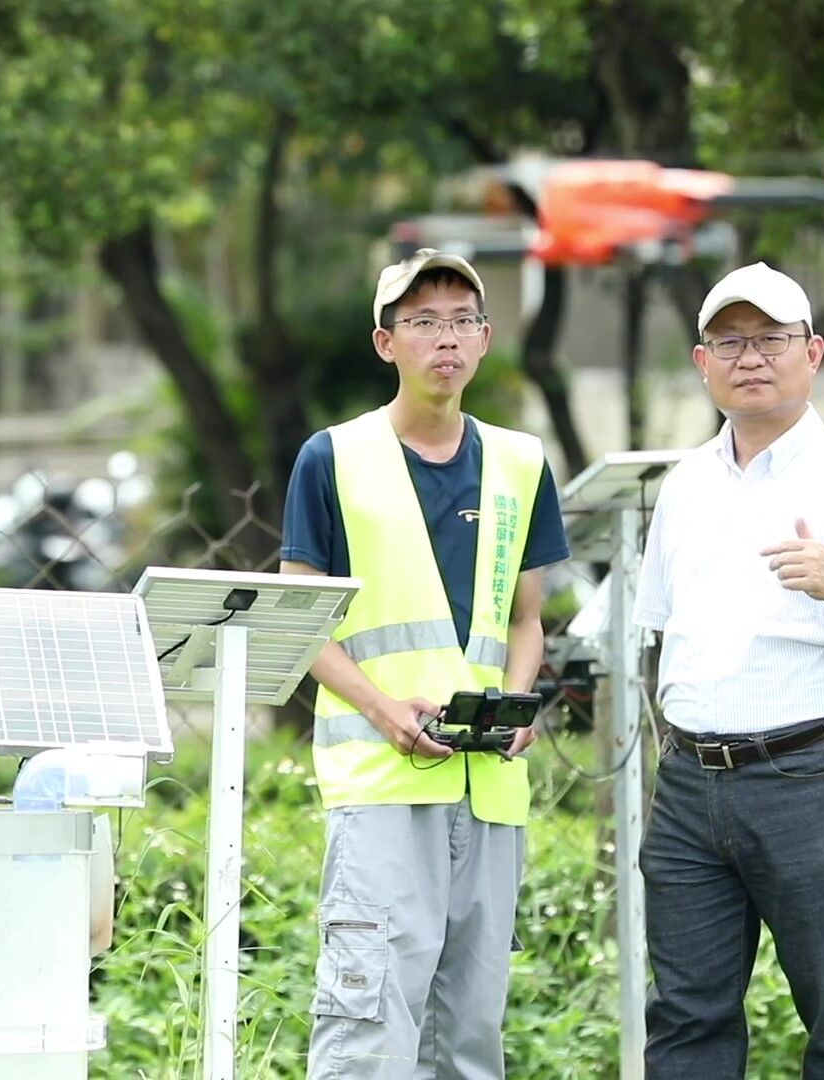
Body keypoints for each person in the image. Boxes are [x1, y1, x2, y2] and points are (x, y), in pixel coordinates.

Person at [634, 262, 824, 1078]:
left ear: (813, 354)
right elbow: (666, 630)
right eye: (730, 341)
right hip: (692, 786)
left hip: (809, 778)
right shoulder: (686, 484)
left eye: (771, 339)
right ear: (702, 362)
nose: (751, 357)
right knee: (686, 1021)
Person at [281, 248, 571, 1079]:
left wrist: (516, 706)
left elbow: (526, 620)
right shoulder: (331, 457)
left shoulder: (521, 461)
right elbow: (299, 626)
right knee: (370, 1024)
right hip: (380, 783)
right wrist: (382, 710)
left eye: (461, 322)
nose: (445, 340)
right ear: (386, 343)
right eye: (423, 323)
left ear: (484, 341)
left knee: (470, 1034)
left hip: (489, 788)